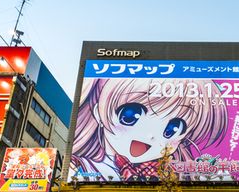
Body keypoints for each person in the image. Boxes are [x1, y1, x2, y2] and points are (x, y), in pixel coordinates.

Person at [69, 77, 230, 182]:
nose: (150, 136)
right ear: (98, 112)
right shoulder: (79, 169)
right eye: (130, 115)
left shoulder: (176, 175)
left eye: (172, 129)